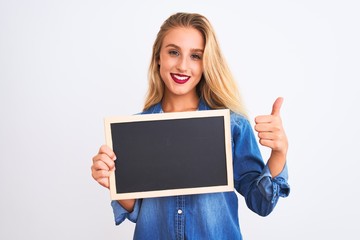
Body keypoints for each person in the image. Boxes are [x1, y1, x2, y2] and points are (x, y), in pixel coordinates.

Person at [91, 12, 290, 240]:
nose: (183, 66)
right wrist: (112, 181)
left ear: (207, 63)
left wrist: (279, 152)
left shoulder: (232, 126)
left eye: (195, 56)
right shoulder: (134, 130)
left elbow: (261, 203)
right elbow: (139, 212)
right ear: (158, 57)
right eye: (173, 52)